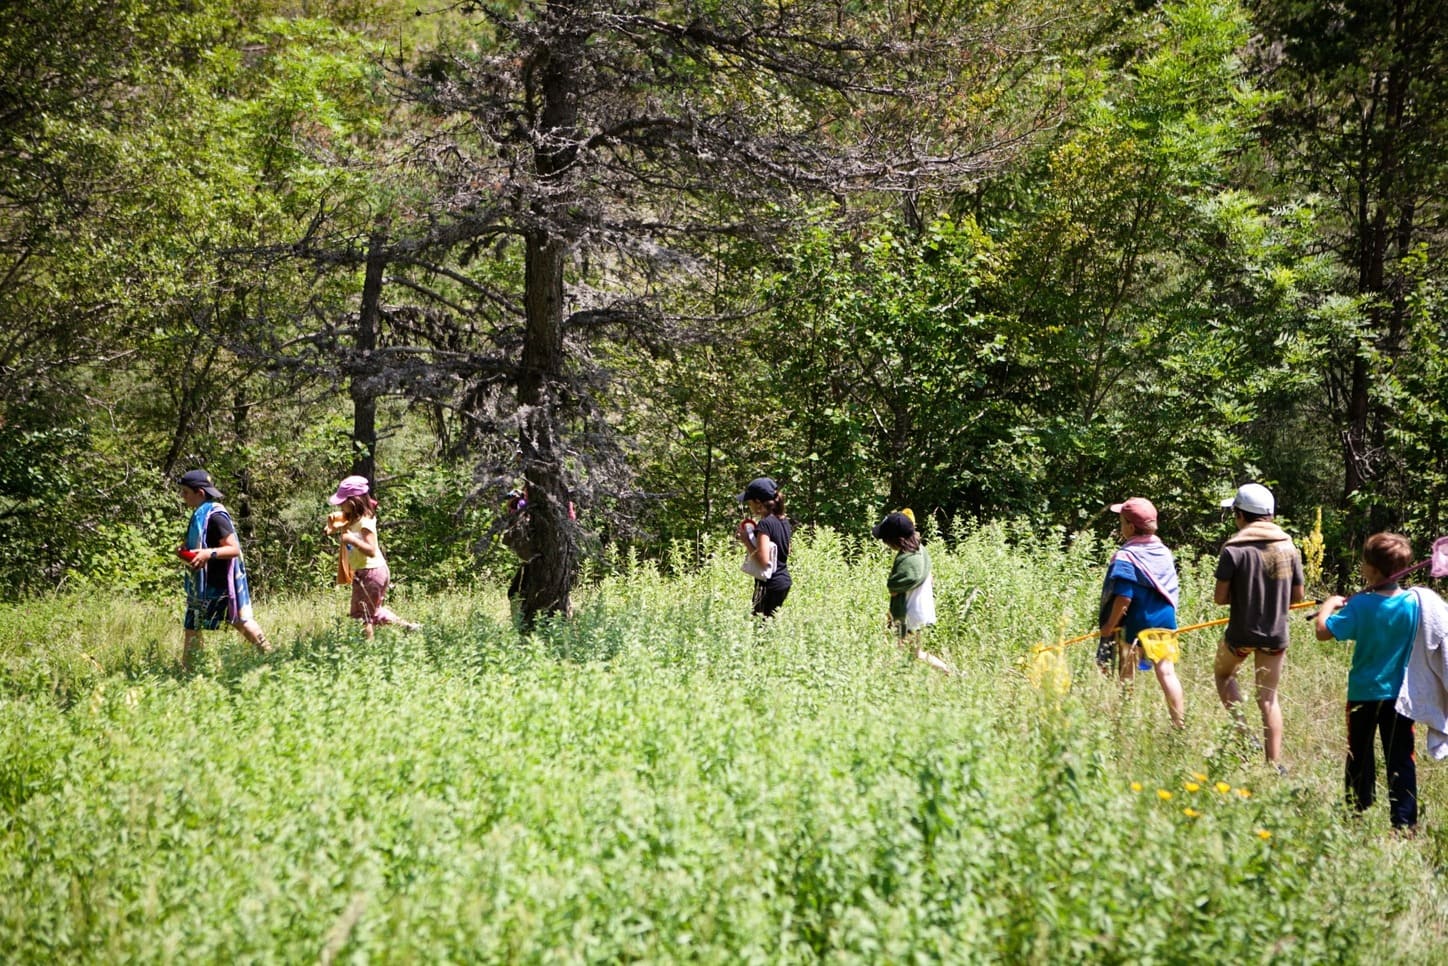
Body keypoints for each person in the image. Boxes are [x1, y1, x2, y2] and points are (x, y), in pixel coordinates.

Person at [1314, 533, 1419, 831]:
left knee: (1359, 754)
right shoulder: (1412, 602)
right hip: (1401, 696)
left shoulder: (1359, 606)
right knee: (1401, 757)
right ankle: (1404, 823)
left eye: (1364, 561)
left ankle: (1356, 813)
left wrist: (1329, 606)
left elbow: (1323, 632)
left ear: (1371, 570)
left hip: (1363, 694)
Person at [1212, 482, 1304, 769]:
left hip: (1240, 634)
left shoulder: (1233, 550)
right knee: (1268, 699)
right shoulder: (1289, 548)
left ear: (1240, 515)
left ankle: (1242, 733)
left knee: (1223, 674)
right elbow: (1297, 598)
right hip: (1275, 635)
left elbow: (1220, 598)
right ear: (1270, 516)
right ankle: (1274, 765)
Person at [1096, 497, 1184, 727]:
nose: (1120, 527)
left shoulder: (1127, 556)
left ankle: (1124, 720)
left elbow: (1124, 597)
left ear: (1131, 527)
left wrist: (1108, 627)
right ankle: (1179, 724)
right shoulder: (1163, 552)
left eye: (1122, 522)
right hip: (1165, 619)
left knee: (1127, 671)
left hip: (1136, 622)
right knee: (1166, 672)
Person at [177, 469, 271, 671]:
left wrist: (206, 554)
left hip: (219, 584)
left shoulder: (216, 516)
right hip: (202, 585)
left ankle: (270, 655)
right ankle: (189, 671)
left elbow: (233, 548)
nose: (183, 497)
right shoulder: (200, 514)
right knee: (192, 626)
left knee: (241, 621)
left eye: (185, 492)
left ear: (200, 493)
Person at [326, 475, 420, 638]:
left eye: (343, 502)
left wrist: (351, 539)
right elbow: (342, 520)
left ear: (353, 502)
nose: (340, 505)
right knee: (373, 611)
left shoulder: (365, 523)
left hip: (371, 572)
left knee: (362, 615)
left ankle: (367, 651)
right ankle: (408, 627)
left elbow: (371, 549)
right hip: (368, 571)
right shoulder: (355, 519)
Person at [874, 510, 951, 675]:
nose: (886, 544)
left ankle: (892, 680)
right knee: (914, 652)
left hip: (910, 614)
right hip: (922, 610)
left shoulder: (907, 560)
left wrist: (892, 609)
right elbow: (930, 578)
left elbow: (894, 587)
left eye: (886, 540)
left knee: (899, 649)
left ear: (895, 540)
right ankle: (947, 672)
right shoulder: (920, 550)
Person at [736, 477, 793, 618]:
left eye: (750, 502)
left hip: (769, 585)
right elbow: (788, 549)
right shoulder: (783, 520)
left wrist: (746, 541)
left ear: (758, 502)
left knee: (759, 629)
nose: (749, 506)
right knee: (769, 626)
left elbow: (763, 560)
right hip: (783, 581)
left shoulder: (765, 524)